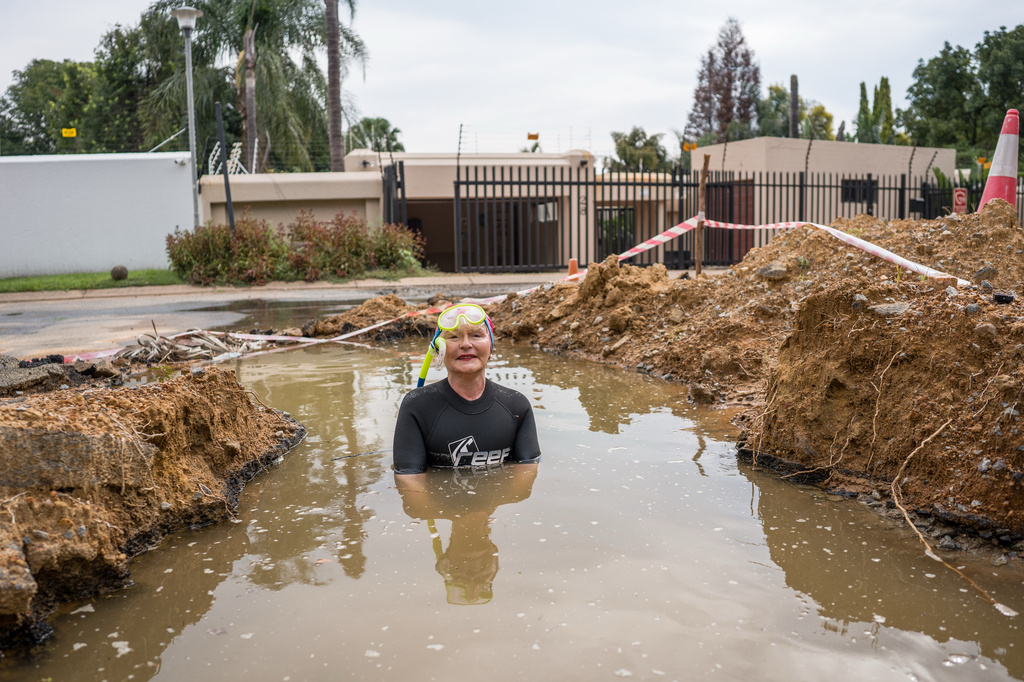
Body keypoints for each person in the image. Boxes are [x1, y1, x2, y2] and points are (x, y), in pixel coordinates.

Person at [392, 303, 541, 476]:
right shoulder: (416, 407)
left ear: (491, 347)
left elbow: (527, 474)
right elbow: (409, 482)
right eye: (454, 337)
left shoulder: (517, 406)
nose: (465, 344)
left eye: (476, 335)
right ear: (439, 349)